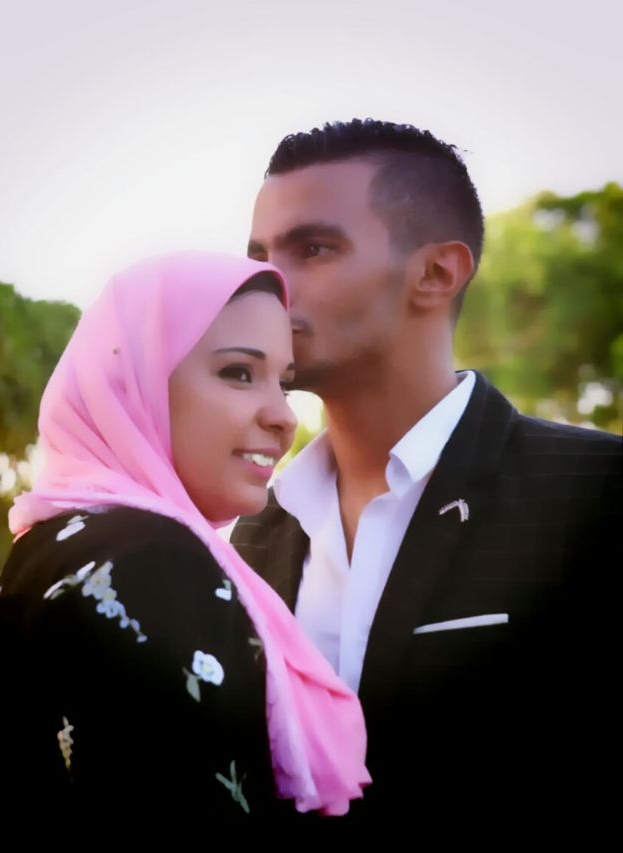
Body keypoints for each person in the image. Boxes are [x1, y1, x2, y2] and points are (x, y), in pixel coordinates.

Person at [232, 119, 621, 828]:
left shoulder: (598, 494)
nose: (267, 284)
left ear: (437, 273)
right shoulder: (252, 534)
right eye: (259, 255)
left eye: (313, 248)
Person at [0, 251, 370, 821]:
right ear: (135, 383)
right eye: (239, 372)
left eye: (284, 385)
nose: (284, 417)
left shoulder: (51, 544)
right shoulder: (154, 563)